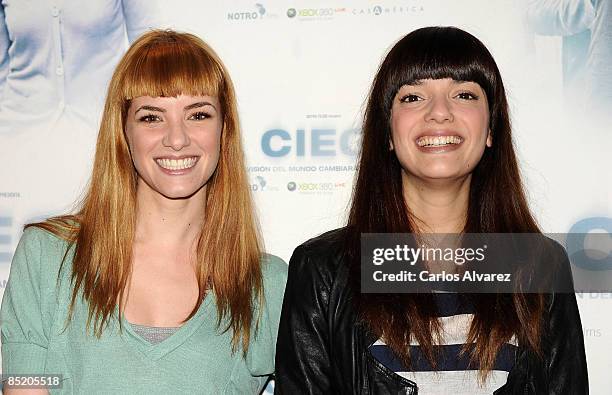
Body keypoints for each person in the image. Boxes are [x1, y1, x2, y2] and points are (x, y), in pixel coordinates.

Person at [275, 26, 587, 394]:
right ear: (388, 134)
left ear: (491, 129)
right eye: (412, 97)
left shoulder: (542, 267)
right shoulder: (323, 271)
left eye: (464, 94)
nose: (439, 112)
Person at [0, 30, 287, 394]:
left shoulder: (266, 284)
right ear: (123, 132)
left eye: (198, 114)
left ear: (224, 130)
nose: (177, 138)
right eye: (152, 117)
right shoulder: (46, 257)